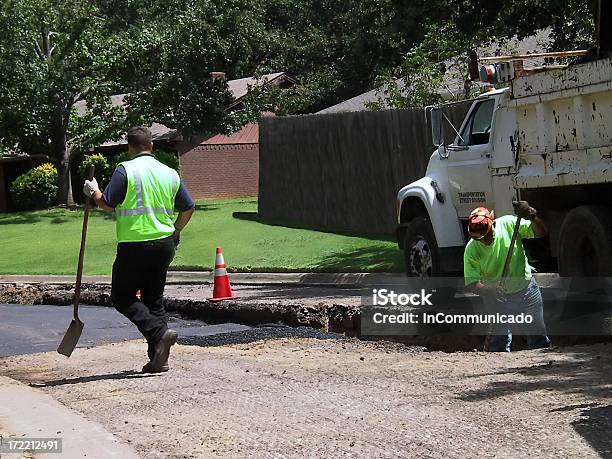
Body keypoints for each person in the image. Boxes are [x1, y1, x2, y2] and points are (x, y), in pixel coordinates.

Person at [83, 126, 195, 372]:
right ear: (152, 146)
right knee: (153, 301)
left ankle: (159, 332)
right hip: (165, 244)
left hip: (135, 244)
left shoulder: (126, 170)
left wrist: (93, 192)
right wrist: (176, 230)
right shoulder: (170, 173)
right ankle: (159, 358)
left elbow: (108, 204)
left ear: (129, 148)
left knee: (122, 297)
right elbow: (188, 208)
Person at [463, 201, 551, 352]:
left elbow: (541, 232)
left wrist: (532, 217)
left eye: (487, 234)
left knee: (538, 337)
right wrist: (489, 290)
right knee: (499, 343)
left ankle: (543, 368)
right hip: (498, 298)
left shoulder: (509, 224)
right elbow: (471, 283)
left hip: (527, 290)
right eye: (480, 238)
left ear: (493, 221)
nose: (485, 240)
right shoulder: (471, 250)